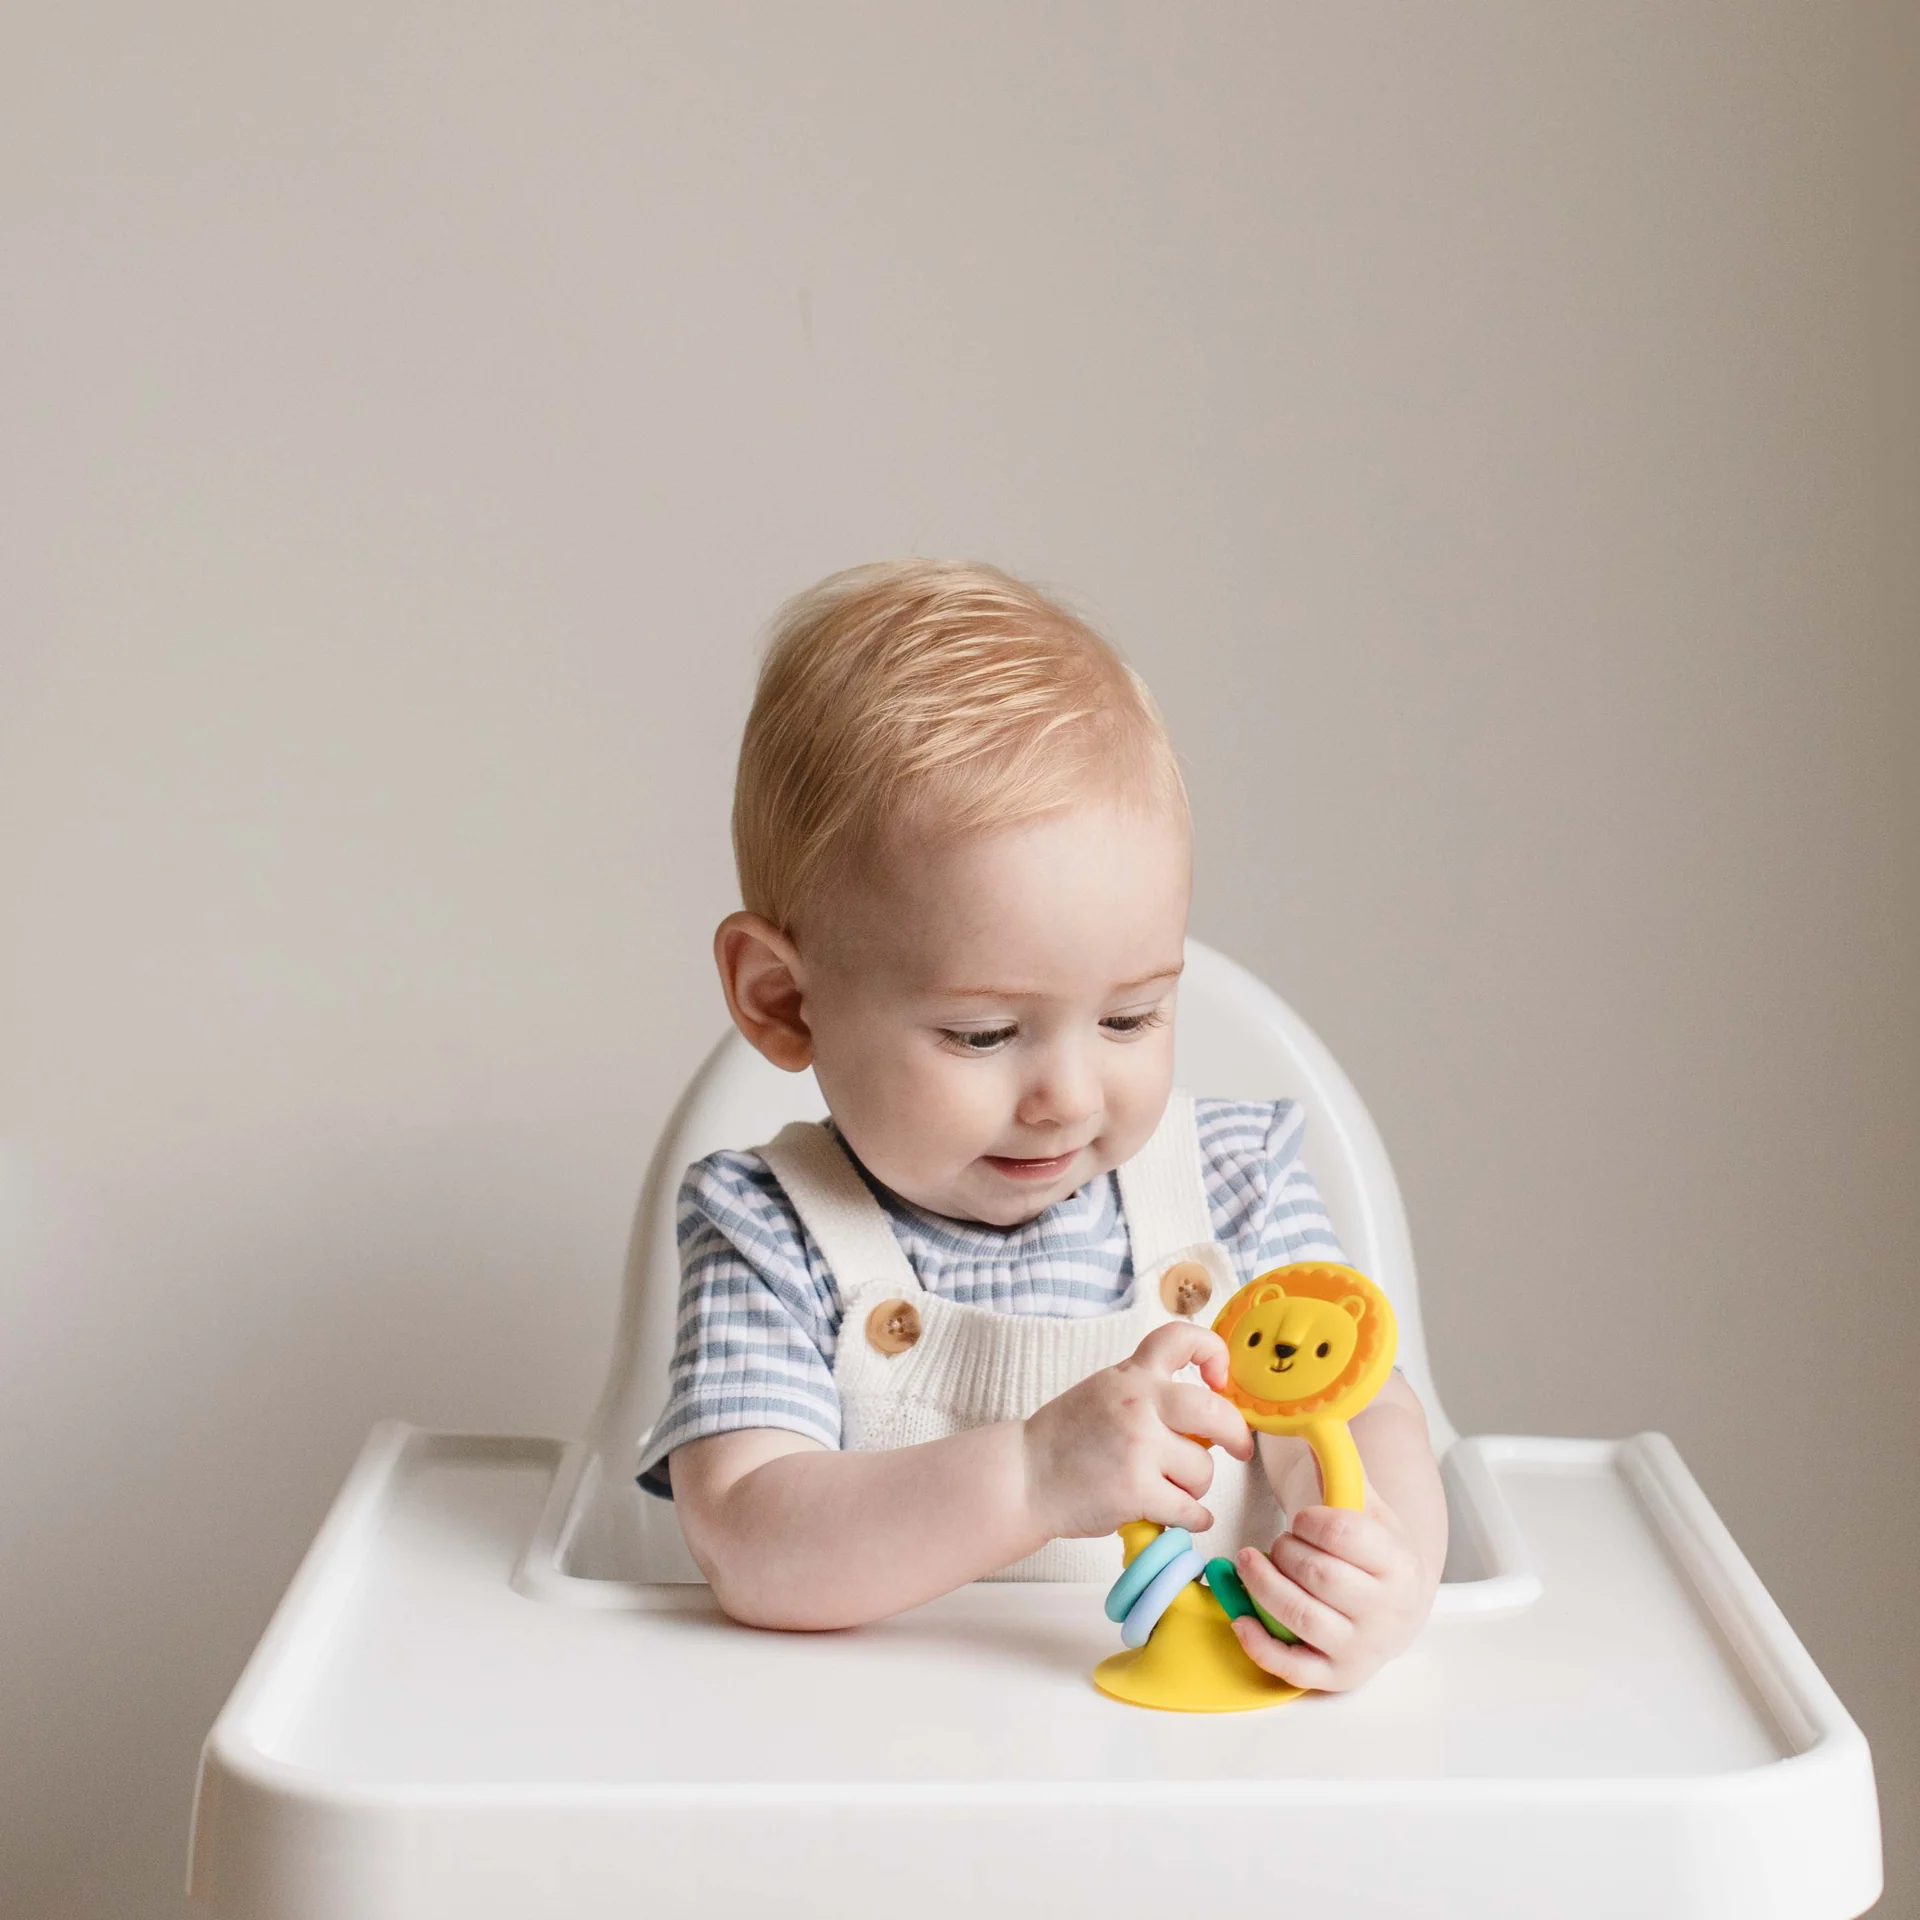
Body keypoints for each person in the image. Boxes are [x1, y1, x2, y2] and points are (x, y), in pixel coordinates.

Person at [637, 559, 1445, 1693]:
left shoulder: (1236, 1186)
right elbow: (752, 1542)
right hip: (884, 1752)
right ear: (784, 1000)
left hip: (1207, 1748)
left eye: (1129, 1017)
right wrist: (1030, 1476)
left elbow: (1359, 1412)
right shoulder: (771, 1230)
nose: (1067, 1095)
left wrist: (1380, 1567)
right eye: (983, 1034)